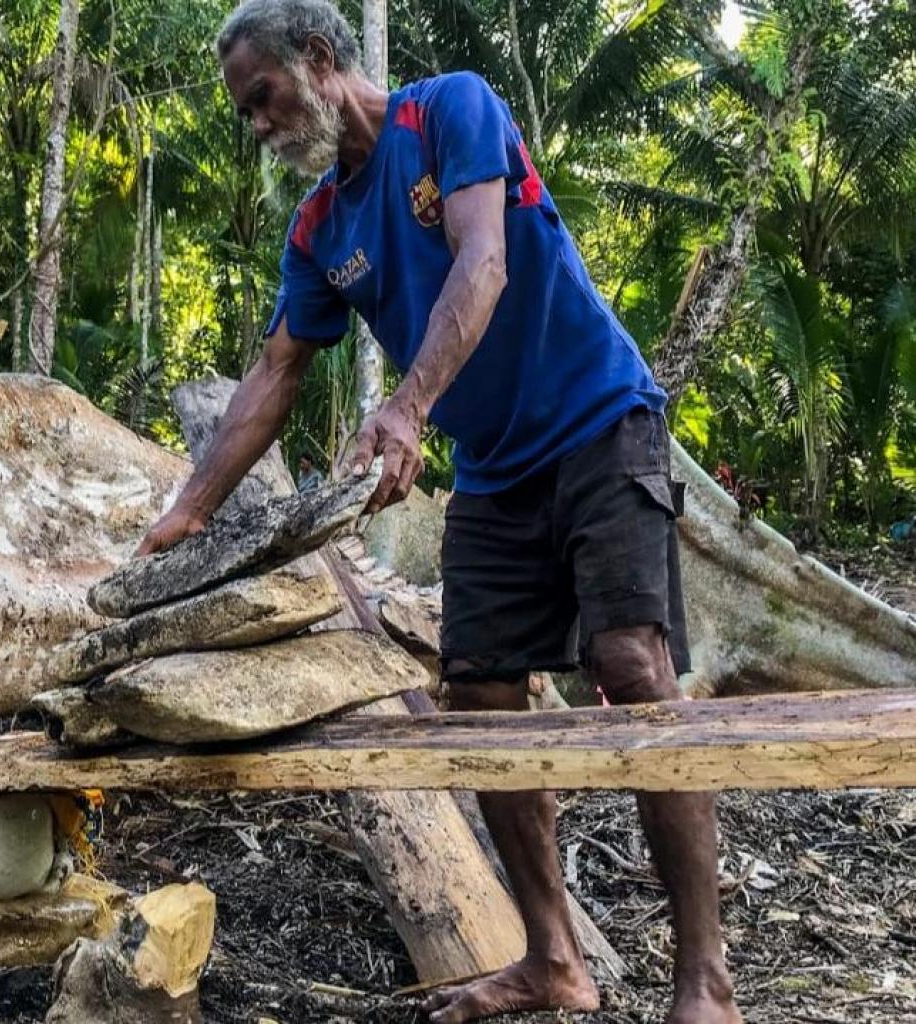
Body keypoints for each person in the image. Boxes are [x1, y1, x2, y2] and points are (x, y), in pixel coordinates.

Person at [135, 1, 741, 1021]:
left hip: (599, 421)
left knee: (632, 667)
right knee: (480, 693)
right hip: (495, 470)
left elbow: (482, 261)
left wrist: (406, 407)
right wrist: (187, 512)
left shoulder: (447, 111)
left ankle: (704, 983)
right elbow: (276, 371)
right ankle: (552, 961)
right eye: (246, 113)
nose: (259, 126)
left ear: (317, 58)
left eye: (263, 98)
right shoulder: (318, 228)